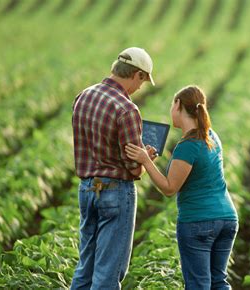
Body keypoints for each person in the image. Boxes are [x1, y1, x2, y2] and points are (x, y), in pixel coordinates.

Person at [125, 85, 239, 289]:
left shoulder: (188, 146)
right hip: (227, 218)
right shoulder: (211, 136)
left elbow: (169, 188)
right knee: (218, 281)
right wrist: (150, 160)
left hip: (199, 221)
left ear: (178, 105)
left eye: (172, 104)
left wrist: (145, 161)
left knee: (198, 284)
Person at [71, 47, 156, 289]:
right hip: (115, 192)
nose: (140, 87)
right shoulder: (127, 109)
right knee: (109, 272)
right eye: (143, 81)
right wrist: (145, 158)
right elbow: (134, 168)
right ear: (137, 75)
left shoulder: (83, 96)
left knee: (85, 266)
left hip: (87, 189)